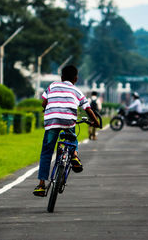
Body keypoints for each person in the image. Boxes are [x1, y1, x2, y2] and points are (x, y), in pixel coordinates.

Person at [33, 65, 100, 197]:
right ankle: (74, 155)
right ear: (76, 79)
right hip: (68, 120)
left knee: (46, 152)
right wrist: (96, 122)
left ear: (62, 77)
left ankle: (41, 185)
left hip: (52, 121)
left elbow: (43, 102)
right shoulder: (77, 91)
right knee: (72, 138)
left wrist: (46, 107)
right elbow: (88, 109)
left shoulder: (52, 86)